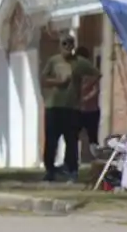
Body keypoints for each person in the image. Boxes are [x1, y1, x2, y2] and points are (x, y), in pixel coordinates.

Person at [40, 33, 99, 182]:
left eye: (70, 44)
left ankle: (72, 170)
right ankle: (50, 170)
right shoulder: (54, 61)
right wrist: (57, 82)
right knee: (51, 140)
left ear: (73, 46)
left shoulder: (79, 62)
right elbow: (44, 79)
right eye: (64, 44)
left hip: (71, 108)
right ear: (60, 46)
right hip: (53, 106)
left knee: (71, 140)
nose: (67, 47)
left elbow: (97, 74)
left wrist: (85, 88)